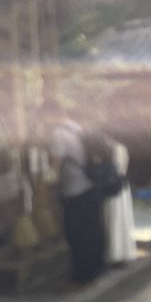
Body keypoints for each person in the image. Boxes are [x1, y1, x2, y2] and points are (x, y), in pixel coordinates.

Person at [49, 116, 105, 286]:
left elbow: (55, 163)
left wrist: (47, 178)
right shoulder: (79, 129)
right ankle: (96, 270)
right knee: (93, 231)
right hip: (92, 185)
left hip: (74, 191)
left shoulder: (58, 134)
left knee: (76, 235)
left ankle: (81, 277)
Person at [104, 137, 136, 265]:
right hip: (122, 187)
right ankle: (123, 252)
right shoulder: (123, 148)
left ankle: (114, 253)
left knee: (113, 220)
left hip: (112, 187)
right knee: (122, 220)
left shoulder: (111, 149)